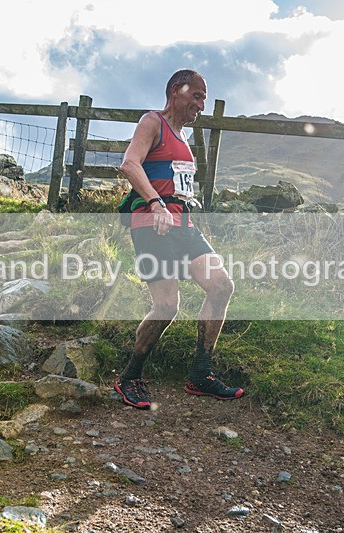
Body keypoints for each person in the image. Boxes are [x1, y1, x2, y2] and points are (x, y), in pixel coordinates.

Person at [114, 69, 244, 410]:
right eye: (197, 96)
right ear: (176, 90)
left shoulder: (183, 137)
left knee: (221, 286)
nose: (201, 105)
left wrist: (183, 204)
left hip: (183, 225)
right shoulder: (152, 122)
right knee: (167, 306)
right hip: (151, 224)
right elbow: (130, 164)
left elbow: (175, 182)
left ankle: (200, 374)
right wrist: (155, 203)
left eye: (203, 98)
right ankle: (130, 377)